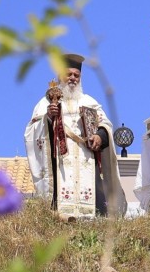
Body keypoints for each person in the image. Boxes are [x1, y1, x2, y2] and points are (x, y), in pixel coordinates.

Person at [24, 54, 126, 219]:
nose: (72, 78)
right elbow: (32, 130)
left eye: (76, 75)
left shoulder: (89, 101)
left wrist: (100, 136)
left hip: (86, 159)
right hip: (60, 161)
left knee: (92, 202)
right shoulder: (45, 104)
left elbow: (105, 125)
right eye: (68, 74)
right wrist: (48, 118)